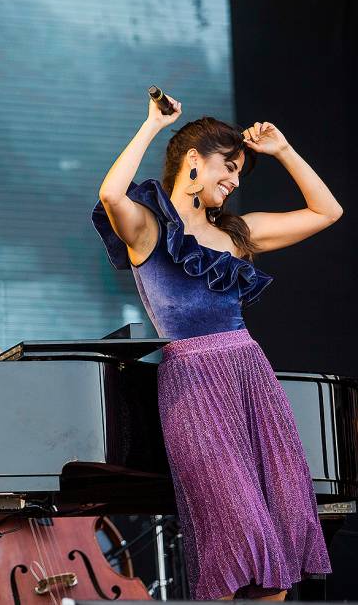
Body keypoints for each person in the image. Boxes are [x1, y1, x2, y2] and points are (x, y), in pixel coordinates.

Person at [92, 94, 341, 600]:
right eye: (228, 168)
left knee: (280, 540)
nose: (234, 181)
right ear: (192, 162)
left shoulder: (235, 234)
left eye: (239, 173)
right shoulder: (148, 229)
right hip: (193, 387)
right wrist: (152, 125)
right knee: (239, 534)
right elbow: (112, 193)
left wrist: (285, 149)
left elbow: (327, 211)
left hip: (251, 378)